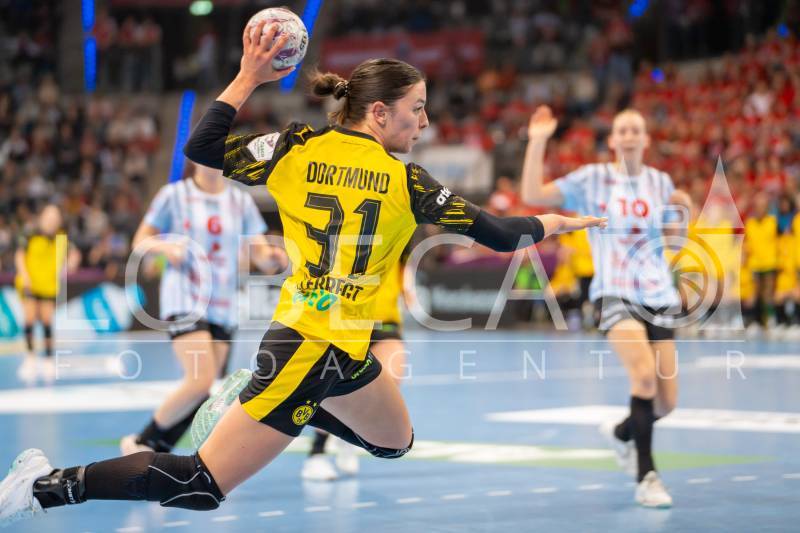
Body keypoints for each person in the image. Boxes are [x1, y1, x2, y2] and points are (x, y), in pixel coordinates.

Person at [0, 22, 604, 525]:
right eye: (417, 109)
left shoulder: (296, 147)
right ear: (379, 112)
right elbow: (498, 233)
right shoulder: (406, 180)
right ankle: (46, 485)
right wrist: (554, 222)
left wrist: (247, 77)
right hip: (306, 343)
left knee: (394, 442)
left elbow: (203, 148)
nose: (424, 122)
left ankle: (275, 399)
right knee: (201, 485)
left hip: (344, 347)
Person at [520, 106, 692, 508]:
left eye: (636, 129)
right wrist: (538, 141)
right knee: (644, 378)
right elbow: (532, 195)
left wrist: (682, 213)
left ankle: (620, 433)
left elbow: (674, 242)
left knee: (666, 403)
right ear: (613, 140)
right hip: (615, 292)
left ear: (646, 139)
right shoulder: (592, 178)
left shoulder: (661, 182)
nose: (629, 135)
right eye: (622, 130)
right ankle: (647, 477)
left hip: (659, 295)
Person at [120, 162, 282, 456]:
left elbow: (260, 254)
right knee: (200, 380)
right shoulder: (174, 195)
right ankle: (140, 443)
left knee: (206, 392)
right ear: (195, 157)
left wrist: (274, 259)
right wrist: (166, 248)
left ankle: (158, 448)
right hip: (185, 297)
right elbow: (140, 240)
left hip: (223, 304)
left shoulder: (240, 200)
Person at [301, 248, 411, 480]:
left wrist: (408, 288)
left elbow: (404, 264)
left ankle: (349, 438)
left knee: (390, 383)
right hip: (344, 320)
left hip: (384, 321)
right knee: (330, 391)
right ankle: (317, 454)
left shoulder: (401, 233)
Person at [14, 204, 80, 384]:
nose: (52, 221)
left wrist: (70, 264)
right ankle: (30, 357)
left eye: (55, 217)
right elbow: (19, 255)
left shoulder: (62, 237)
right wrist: (24, 275)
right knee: (29, 319)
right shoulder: (30, 233)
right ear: (42, 217)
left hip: (49, 286)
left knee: (46, 321)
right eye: (49, 217)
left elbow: (74, 254)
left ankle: (49, 359)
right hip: (29, 284)